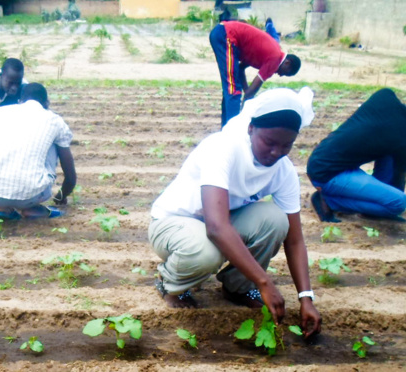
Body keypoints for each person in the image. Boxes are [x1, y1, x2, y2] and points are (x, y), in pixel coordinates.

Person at [149, 87, 321, 338]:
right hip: (174, 224)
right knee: (208, 250)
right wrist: (265, 282)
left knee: (275, 220)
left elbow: (294, 240)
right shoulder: (223, 148)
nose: (276, 153)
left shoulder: (283, 171)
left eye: (286, 146)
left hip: (219, 223)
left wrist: (306, 298)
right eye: (269, 142)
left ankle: (238, 287)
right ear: (251, 128)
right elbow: (217, 228)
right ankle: (170, 284)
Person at [0, 83, 76, 220]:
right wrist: (61, 197)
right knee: (54, 143)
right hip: (32, 196)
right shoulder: (55, 121)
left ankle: (3, 209)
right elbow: (71, 178)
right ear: (46, 103)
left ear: (20, 101)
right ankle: (31, 209)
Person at [307, 88, 406, 222]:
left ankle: (375, 200)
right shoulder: (401, 137)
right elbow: (400, 171)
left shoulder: (385, 98)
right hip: (327, 173)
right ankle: (329, 201)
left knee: (391, 155)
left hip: (325, 161)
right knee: (398, 203)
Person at [209, 21, 301, 126]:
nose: (280, 75)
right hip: (227, 35)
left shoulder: (271, 53)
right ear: (287, 63)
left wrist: (247, 91)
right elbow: (250, 94)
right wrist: (246, 116)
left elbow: (240, 69)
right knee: (233, 89)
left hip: (222, 33)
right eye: (285, 73)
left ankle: (226, 129)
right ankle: (233, 130)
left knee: (230, 90)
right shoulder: (274, 60)